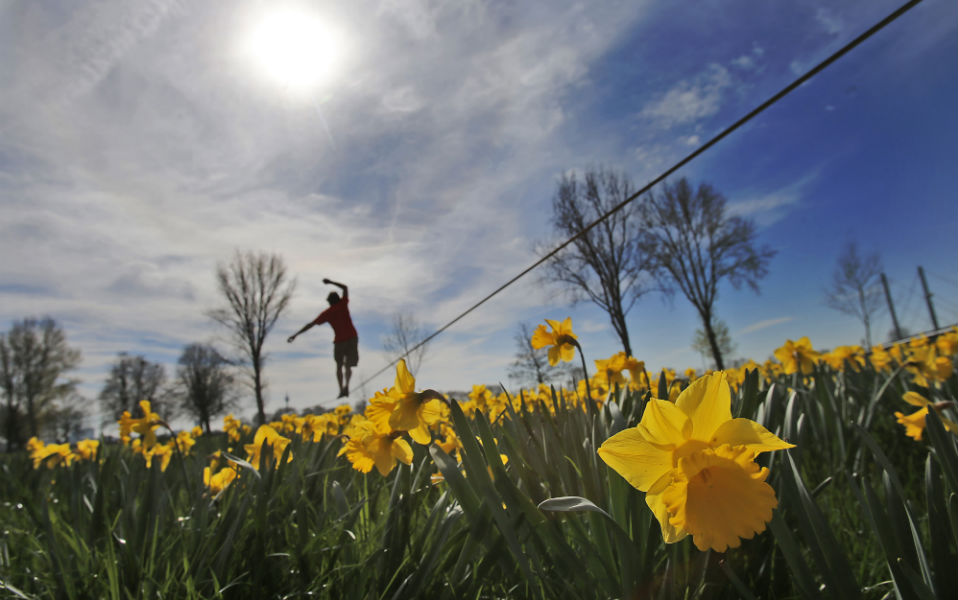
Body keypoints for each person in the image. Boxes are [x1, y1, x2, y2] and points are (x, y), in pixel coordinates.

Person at [288, 278, 359, 398]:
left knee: (339, 366)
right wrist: (331, 282)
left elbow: (311, 324)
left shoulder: (328, 312)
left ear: (329, 302)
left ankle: (342, 389)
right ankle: (346, 386)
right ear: (338, 299)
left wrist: (296, 335)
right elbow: (345, 287)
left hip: (340, 341)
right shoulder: (342, 304)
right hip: (351, 338)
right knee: (347, 365)